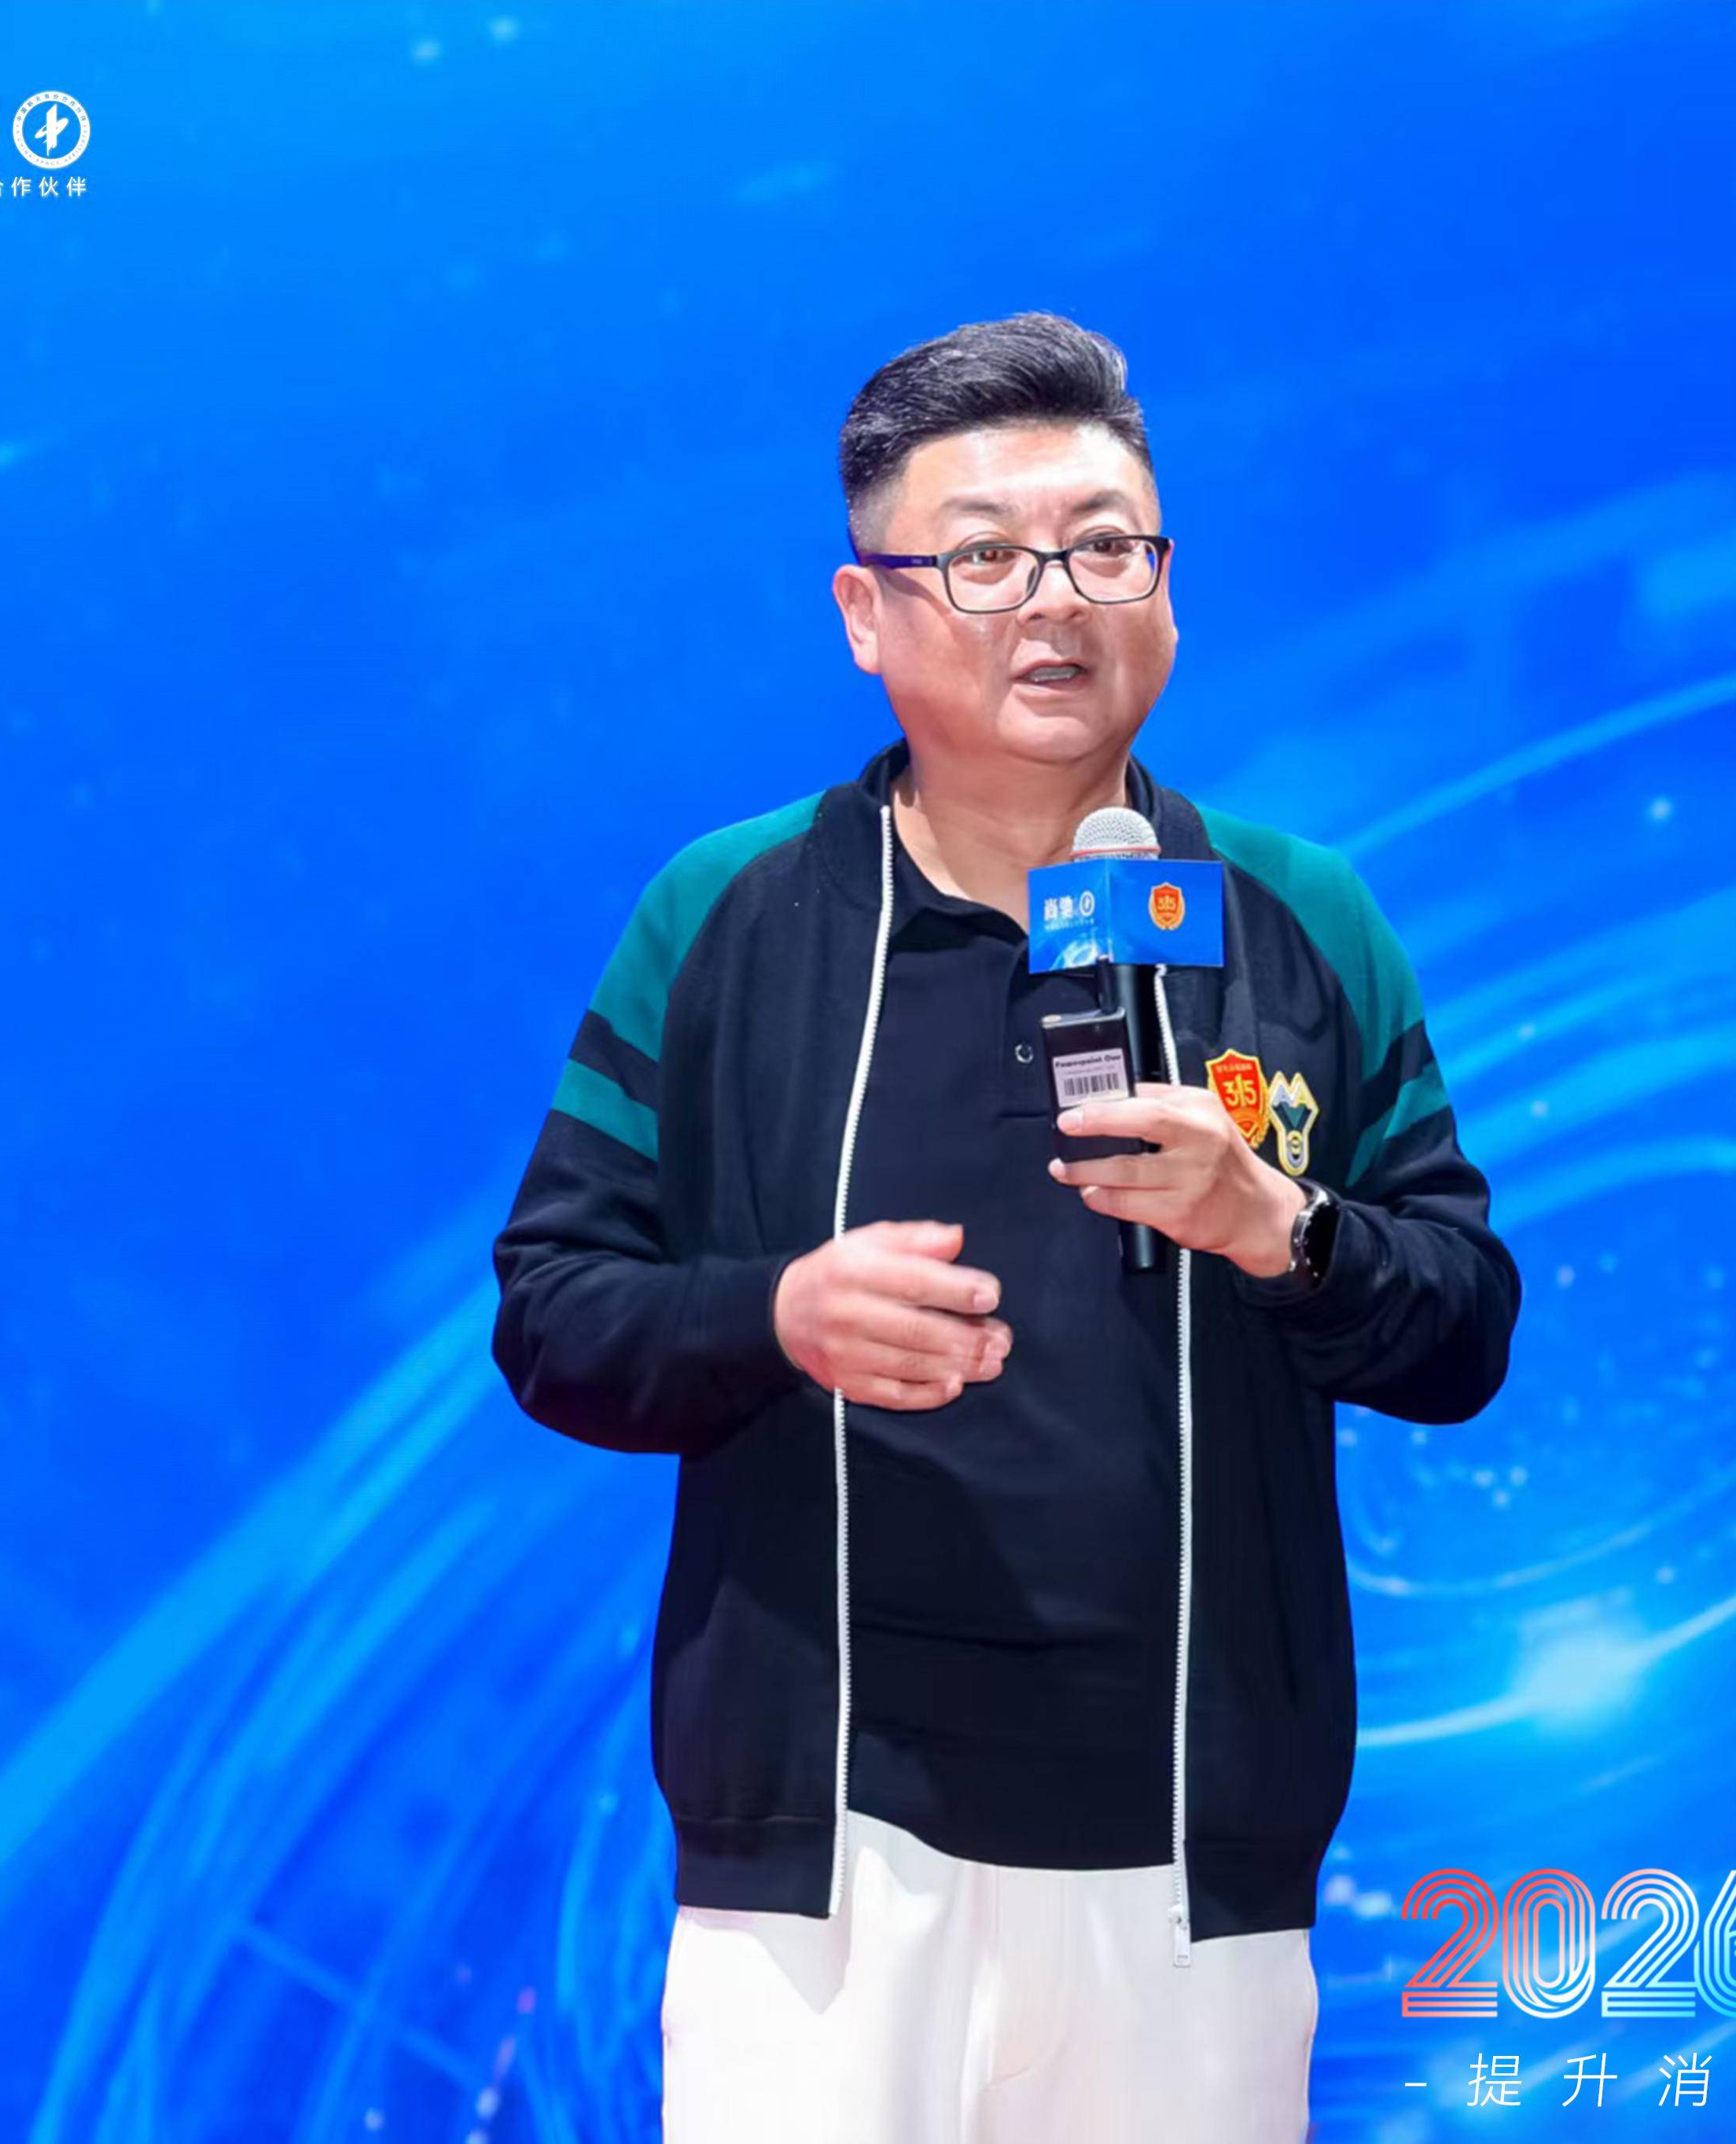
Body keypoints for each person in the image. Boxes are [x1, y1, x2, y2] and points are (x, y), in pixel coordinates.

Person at [488, 311, 1521, 2142]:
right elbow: (555, 1309)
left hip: (1195, 1850)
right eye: (984, 556)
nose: (1058, 599)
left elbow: (1463, 1325)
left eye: (1106, 546)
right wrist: (776, 1315)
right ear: (866, 613)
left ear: (1165, 587)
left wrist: (1283, 1228)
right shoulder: (729, 917)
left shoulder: (1301, 918)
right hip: (823, 1859)